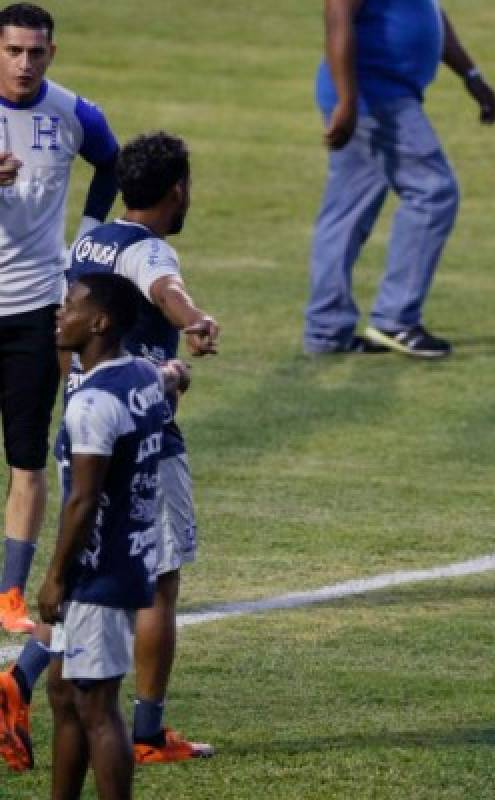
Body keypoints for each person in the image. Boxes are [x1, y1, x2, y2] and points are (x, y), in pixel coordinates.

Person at [0, 132, 218, 772]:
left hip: (85, 427)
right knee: (157, 585)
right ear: (178, 190)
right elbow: (166, 291)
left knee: (99, 578)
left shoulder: (88, 241)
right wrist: (194, 321)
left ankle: (17, 681)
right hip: (140, 439)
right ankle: (148, 732)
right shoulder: (151, 251)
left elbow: (63, 327)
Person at [0, 2, 119, 634]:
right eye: (13, 50)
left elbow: (114, 161)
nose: (24, 63)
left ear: (52, 53)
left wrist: (87, 243)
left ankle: (9, 596)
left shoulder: (73, 115)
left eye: (36, 52)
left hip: (33, 310)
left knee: (26, 458)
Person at [304, 0, 495, 358]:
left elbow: (429, 15)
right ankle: (395, 318)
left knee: (345, 212)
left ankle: (327, 331)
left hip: (373, 98)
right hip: (375, 99)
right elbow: (338, 14)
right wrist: (348, 100)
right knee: (434, 191)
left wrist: (471, 76)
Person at [35, 273, 167, 798]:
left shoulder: (92, 407)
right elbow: (170, 381)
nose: (60, 314)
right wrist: (179, 375)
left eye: (70, 306)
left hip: (98, 571)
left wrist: (55, 578)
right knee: (64, 692)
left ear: (100, 322)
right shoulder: (140, 374)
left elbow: (83, 500)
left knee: (97, 707)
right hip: (125, 557)